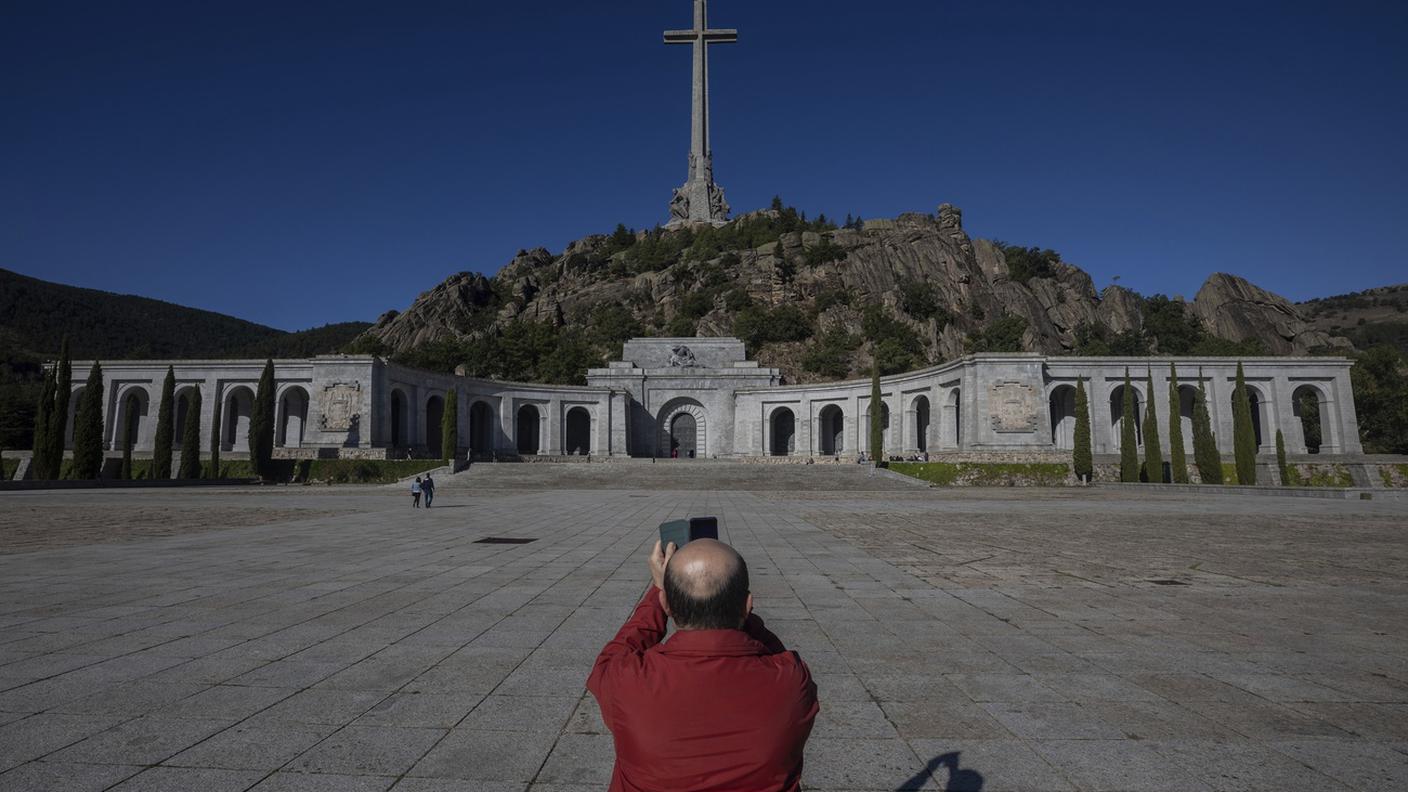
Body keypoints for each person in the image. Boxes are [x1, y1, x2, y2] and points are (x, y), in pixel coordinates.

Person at [587, 538, 818, 791]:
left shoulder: (625, 681)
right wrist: (735, 612)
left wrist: (657, 592)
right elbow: (774, 653)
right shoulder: (792, 682)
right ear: (747, 605)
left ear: (667, 606)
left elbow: (613, 655)